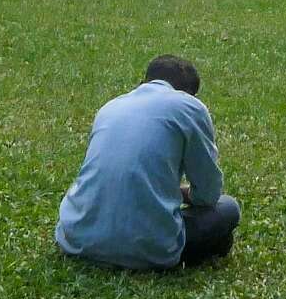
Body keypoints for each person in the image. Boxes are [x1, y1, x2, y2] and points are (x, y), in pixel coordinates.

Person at [53, 55, 239, 271]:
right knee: (228, 207)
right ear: (189, 94)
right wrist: (185, 194)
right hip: (147, 249)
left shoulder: (110, 107)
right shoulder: (190, 107)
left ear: (144, 82)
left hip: (76, 238)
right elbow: (208, 194)